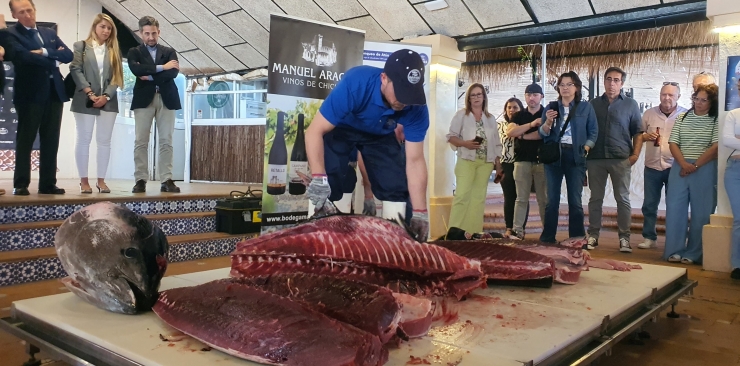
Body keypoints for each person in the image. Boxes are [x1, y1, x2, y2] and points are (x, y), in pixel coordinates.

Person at [305, 49, 430, 241]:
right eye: (401, 92)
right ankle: (315, 244)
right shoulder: (356, 82)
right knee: (327, 183)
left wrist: (421, 212)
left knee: (396, 186)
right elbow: (314, 131)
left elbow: (415, 160)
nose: (405, 101)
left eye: (411, 94)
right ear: (384, 78)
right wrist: (318, 178)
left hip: (380, 134)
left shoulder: (416, 107)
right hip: (342, 128)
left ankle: (396, 248)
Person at [7, 0, 72, 195]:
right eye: (22, 12)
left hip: (54, 91)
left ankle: (47, 183)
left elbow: (68, 55)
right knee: (25, 139)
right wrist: (53, 58)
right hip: (30, 93)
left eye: (29, 10)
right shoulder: (10, 34)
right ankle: (21, 183)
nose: (27, 14)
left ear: (34, 9)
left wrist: (44, 52)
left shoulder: (49, 33)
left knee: (51, 139)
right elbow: (22, 57)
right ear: (14, 16)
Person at [586, 67, 643, 252]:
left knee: (623, 199)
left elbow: (638, 132)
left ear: (622, 83)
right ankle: (593, 236)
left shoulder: (631, 105)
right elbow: (586, 130)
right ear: (604, 81)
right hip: (595, 159)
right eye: (609, 79)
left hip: (620, 159)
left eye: (616, 80)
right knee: (595, 199)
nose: (612, 83)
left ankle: (624, 239)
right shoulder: (592, 104)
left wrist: (635, 155)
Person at [539, 71, 598, 243]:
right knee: (552, 200)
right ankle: (548, 237)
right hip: (554, 157)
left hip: (576, 155)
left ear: (577, 87)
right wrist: (548, 122)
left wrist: (586, 148)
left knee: (575, 199)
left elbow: (593, 131)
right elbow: (542, 134)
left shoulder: (585, 107)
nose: (565, 88)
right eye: (562, 85)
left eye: (569, 84)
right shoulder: (550, 107)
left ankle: (577, 237)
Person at [664, 83, 719, 265]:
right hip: (680, 167)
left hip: (704, 168)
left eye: (704, 100)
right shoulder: (682, 117)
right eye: (697, 99)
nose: (699, 103)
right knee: (675, 210)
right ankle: (674, 250)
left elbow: (716, 147)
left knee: (702, 213)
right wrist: (683, 164)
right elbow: (673, 143)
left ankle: (694, 252)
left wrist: (694, 165)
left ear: (712, 102)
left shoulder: (717, 119)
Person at [69, 14, 123, 194]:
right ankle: (84, 181)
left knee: (104, 141)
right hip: (84, 99)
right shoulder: (81, 46)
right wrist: (90, 93)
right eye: (103, 27)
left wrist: (106, 96)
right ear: (94, 27)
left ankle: (101, 180)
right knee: (84, 140)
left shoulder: (114, 49)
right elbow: (75, 70)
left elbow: (117, 77)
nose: (106, 31)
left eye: (109, 28)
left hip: (108, 101)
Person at [127, 16, 181, 193]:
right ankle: (140, 179)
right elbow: (136, 70)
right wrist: (162, 68)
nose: (151, 37)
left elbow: (173, 73)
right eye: (147, 33)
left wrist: (150, 74)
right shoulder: (134, 52)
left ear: (159, 32)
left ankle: (166, 179)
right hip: (144, 99)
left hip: (167, 98)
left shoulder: (169, 51)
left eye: (154, 33)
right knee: (141, 141)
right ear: (141, 33)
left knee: (167, 140)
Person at [446, 83, 503, 234]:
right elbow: (451, 137)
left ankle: (474, 233)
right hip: (466, 160)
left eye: (479, 94)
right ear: (469, 99)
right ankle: (454, 233)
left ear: (484, 97)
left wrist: (498, 165)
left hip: (486, 163)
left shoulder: (490, 119)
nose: (476, 97)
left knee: (478, 199)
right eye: (473, 95)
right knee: (462, 196)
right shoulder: (461, 115)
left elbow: (496, 143)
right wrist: (465, 143)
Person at [637, 82, 687, 249]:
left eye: (671, 95)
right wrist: (645, 136)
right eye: (664, 94)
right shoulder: (649, 114)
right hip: (652, 166)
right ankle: (649, 237)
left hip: (674, 167)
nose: (667, 98)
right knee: (649, 204)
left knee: (674, 205)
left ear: (678, 97)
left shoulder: (685, 115)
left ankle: (673, 240)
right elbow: (638, 135)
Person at [507, 84, 548, 239]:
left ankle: (547, 232)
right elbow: (510, 132)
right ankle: (517, 231)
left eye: (535, 95)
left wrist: (522, 135)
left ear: (541, 96)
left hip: (542, 162)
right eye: (529, 95)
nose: (532, 98)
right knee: (521, 198)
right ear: (525, 97)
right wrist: (531, 124)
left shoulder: (547, 113)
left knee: (543, 200)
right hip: (521, 161)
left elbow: (543, 134)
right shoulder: (518, 115)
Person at [496, 97, 525, 237]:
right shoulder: (499, 126)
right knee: (509, 197)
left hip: (522, 163)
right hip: (506, 164)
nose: (512, 110)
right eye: (509, 107)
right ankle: (509, 227)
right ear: (505, 110)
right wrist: (497, 167)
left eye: (515, 107)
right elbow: (495, 147)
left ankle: (520, 228)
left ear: (521, 109)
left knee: (521, 197)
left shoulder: (525, 124)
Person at [722, 79, 740, 279]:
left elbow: (732, 139)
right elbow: (726, 140)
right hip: (734, 170)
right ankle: (738, 265)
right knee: (739, 219)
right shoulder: (733, 115)